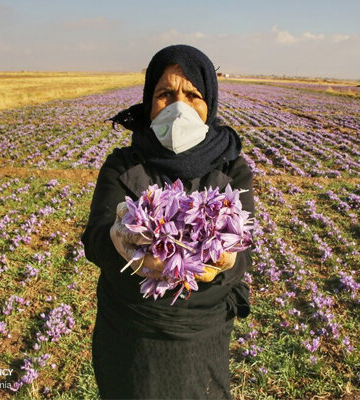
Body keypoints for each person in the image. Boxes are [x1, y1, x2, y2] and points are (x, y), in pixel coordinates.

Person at [81, 44, 255, 399]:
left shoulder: (231, 168)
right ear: (148, 101)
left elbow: (245, 252)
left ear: (210, 104)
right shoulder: (124, 164)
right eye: (165, 94)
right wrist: (118, 238)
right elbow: (96, 238)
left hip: (201, 332)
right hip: (132, 330)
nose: (179, 107)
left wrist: (228, 261)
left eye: (193, 95)